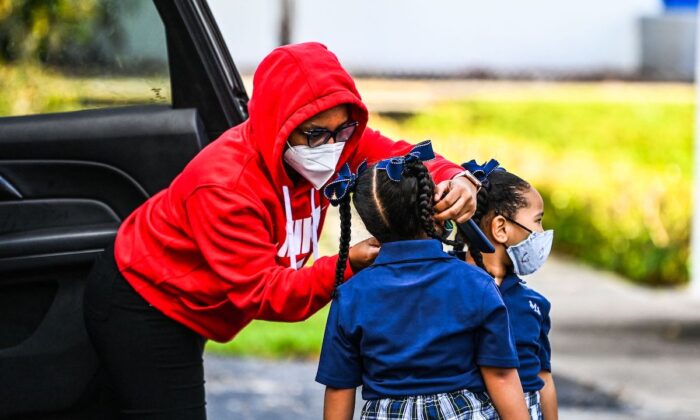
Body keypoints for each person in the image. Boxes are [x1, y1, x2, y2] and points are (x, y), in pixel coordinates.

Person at [82, 42, 480, 419]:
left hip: (196, 302)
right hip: (146, 300)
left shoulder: (338, 143)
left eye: (343, 130)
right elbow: (265, 293)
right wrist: (349, 263)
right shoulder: (225, 185)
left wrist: (458, 179)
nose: (332, 146)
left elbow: (401, 157)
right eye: (315, 134)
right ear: (279, 126)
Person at [316, 143, 530, 420]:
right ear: (432, 210)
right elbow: (500, 375)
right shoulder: (476, 283)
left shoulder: (352, 294)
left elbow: (339, 388)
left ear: (371, 225)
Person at [454, 160, 558, 420]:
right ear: (501, 228)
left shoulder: (534, 304)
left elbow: (542, 376)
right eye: (537, 222)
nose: (541, 234)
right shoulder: (450, 292)